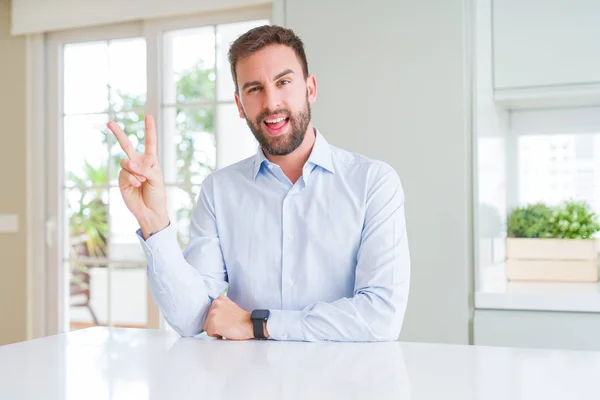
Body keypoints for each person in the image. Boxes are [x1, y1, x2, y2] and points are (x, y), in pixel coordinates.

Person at [107, 25, 410, 342]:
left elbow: (381, 317)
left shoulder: (373, 183)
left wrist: (257, 324)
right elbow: (192, 318)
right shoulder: (219, 191)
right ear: (239, 105)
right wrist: (153, 221)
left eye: (284, 82)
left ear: (310, 88)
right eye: (254, 89)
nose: (272, 102)